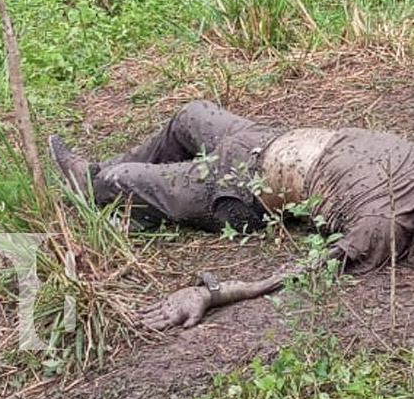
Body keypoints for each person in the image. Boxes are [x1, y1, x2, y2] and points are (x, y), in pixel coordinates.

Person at [49, 100, 414, 330]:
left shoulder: (383, 226)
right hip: (266, 138)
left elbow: (309, 269)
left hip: (241, 190)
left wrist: (212, 293)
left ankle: (93, 184)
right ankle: (111, 173)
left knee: (120, 180)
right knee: (190, 114)